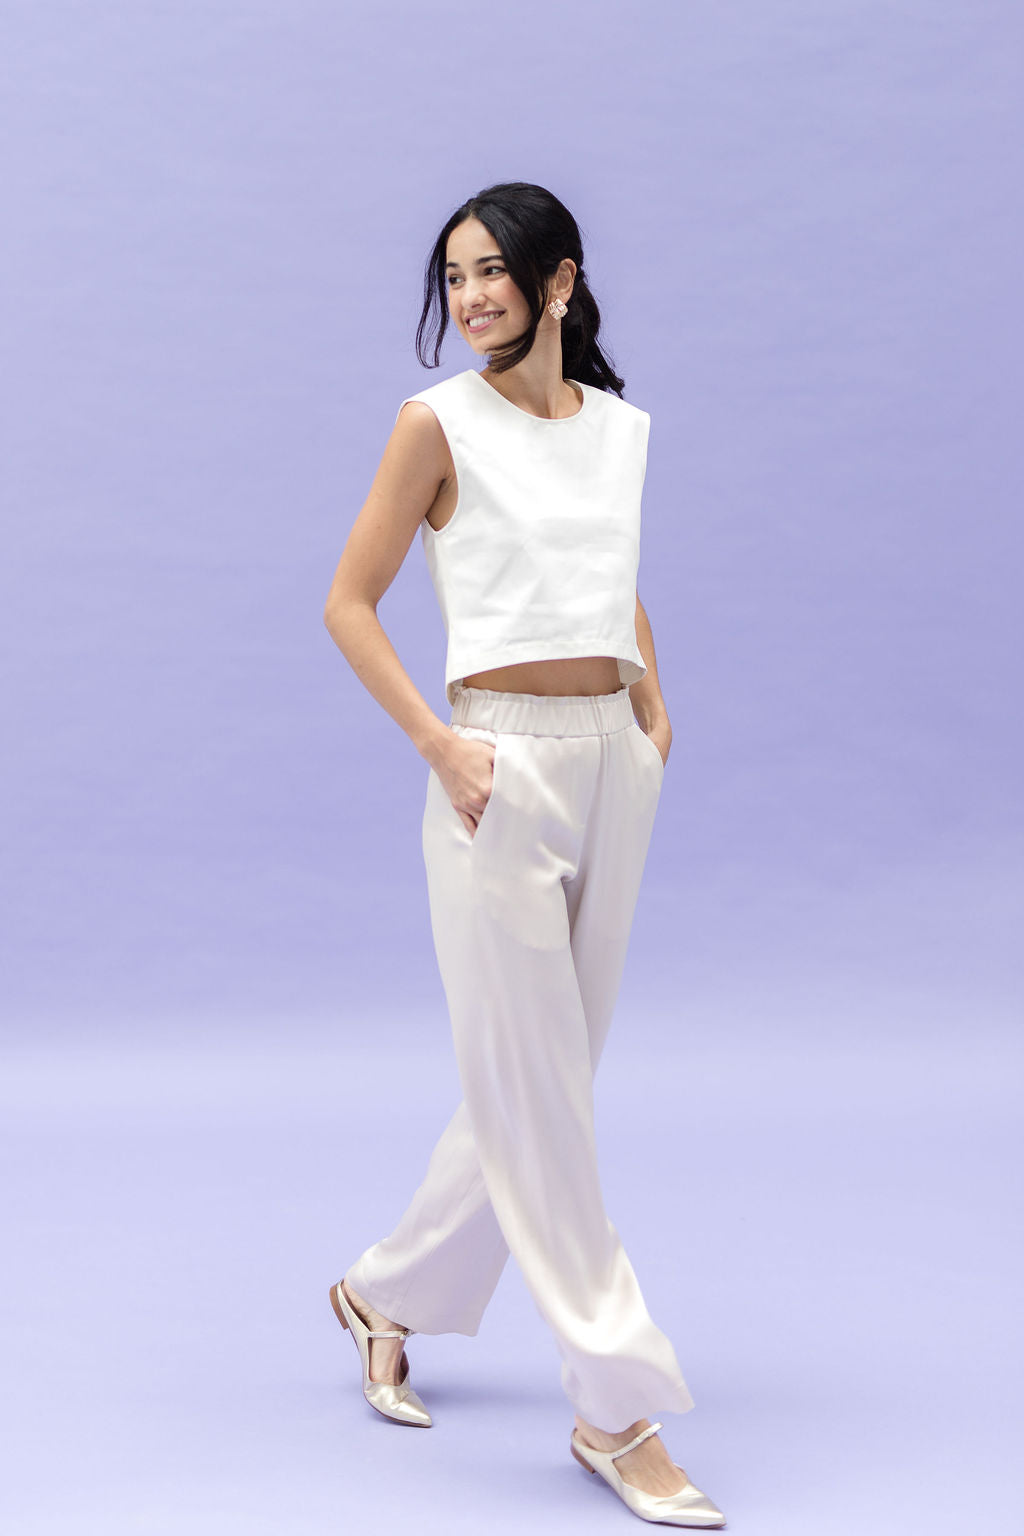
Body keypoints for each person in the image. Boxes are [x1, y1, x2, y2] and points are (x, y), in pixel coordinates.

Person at [322, 181, 726, 1529]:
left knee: (545, 1082)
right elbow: (349, 601)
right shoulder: (434, 424)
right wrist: (441, 747)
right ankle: (616, 1407)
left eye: (494, 270)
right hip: (495, 773)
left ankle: (382, 1292)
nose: (471, 296)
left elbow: (608, 573)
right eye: (455, 277)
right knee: (544, 1100)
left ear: (560, 281)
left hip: (613, 762)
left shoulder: (618, 429)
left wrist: (650, 701)